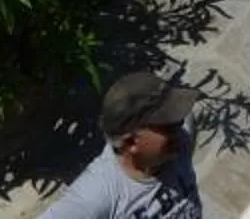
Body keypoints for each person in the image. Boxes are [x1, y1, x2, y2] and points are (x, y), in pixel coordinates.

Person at [44, 71, 202, 219]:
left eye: (177, 117)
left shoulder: (181, 138)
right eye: (168, 125)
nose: (180, 125)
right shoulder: (98, 195)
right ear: (131, 142)